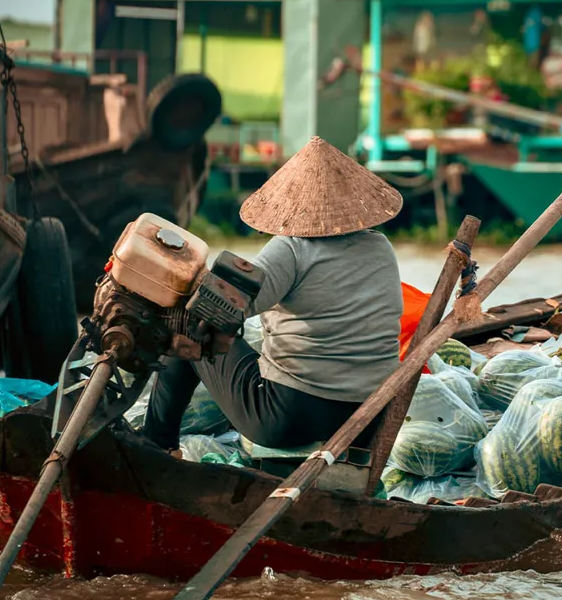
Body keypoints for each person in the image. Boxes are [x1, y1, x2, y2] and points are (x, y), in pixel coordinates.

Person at [142, 137, 405, 452]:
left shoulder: (293, 249)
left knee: (188, 325)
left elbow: (227, 306)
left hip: (288, 416)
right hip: (370, 417)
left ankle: (157, 445)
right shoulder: (380, 246)